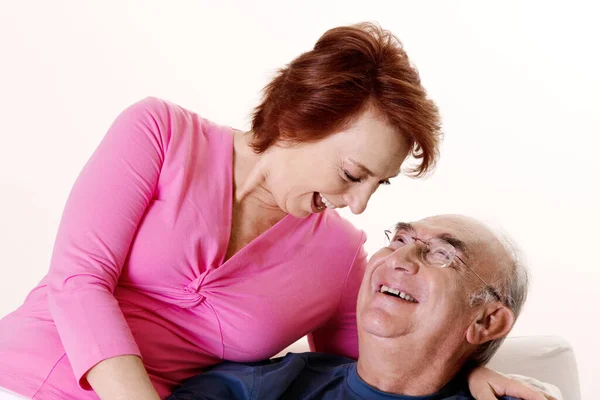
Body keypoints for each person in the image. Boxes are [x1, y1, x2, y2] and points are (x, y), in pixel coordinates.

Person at [0, 23, 547, 400]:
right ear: (303, 118)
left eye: (376, 188)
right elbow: (78, 281)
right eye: (354, 175)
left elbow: (384, 366)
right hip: (19, 376)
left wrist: (475, 373)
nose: (357, 203)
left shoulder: (338, 254)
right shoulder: (160, 133)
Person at [169, 215, 557, 400]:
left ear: (487, 320)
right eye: (400, 238)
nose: (400, 258)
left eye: (442, 254)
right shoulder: (256, 388)